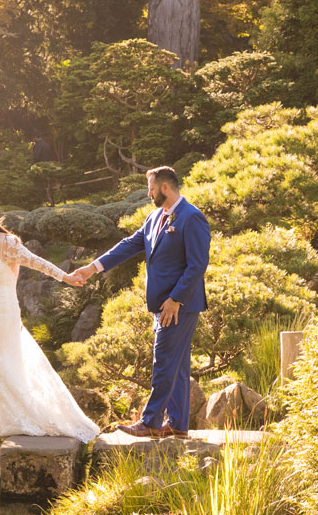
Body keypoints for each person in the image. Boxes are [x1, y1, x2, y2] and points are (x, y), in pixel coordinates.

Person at [67, 166, 210, 439]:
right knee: (177, 365)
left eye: (152, 189)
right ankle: (178, 424)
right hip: (162, 306)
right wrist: (91, 268)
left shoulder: (192, 218)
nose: (149, 193)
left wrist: (175, 300)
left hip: (179, 307)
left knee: (164, 361)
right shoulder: (155, 217)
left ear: (165, 188)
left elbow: (197, 265)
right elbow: (128, 245)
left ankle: (151, 422)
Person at [0, 205, 99, 442]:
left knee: (0, 360)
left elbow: (36, 262)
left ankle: (19, 415)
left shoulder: (7, 243)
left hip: (1, 309)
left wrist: (65, 276)